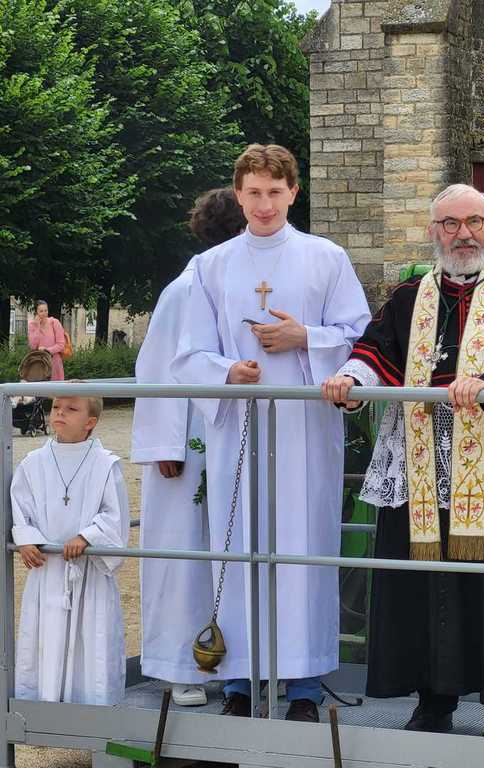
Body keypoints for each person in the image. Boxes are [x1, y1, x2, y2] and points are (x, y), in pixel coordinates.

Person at [322, 183, 484, 739]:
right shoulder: (409, 297)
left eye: (474, 221)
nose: (463, 233)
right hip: (419, 463)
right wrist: (350, 381)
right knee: (425, 585)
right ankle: (433, 701)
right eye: (450, 223)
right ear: (434, 231)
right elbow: (375, 350)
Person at [171, 144, 371, 722]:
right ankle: (239, 679)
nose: (264, 204)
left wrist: (305, 337)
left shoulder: (326, 257)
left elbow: (359, 336)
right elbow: (189, 354)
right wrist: (227, 371)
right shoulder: (210, 267)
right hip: (239, 429)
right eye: (254, 192)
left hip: (305, 434)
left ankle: (304, 685)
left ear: (293, 193)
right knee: (238, 548)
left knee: (303, 550)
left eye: (275, 192)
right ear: (239, 195)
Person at [131, 187, 246, 707]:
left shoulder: (244, 287)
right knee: (183, 555)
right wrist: (164, 443)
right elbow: (157, 368)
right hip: (186, 444)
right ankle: (180, 667)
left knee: (232, 551)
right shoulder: (185, 289)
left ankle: (234, 661)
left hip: (232, 437)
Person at [12, 393, 130, 704]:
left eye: (71, 408)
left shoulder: (106, 465)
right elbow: (20, 504)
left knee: (90, 641)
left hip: (88, 573)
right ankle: (44, 710)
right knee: (45, 640)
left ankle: (92, 711)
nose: (60, 412)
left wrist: (87, 537)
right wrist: (26, 538)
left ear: (90, 422)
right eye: (56, 407)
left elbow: (114, 515)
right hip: (48, 570)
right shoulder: (33, 463)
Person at [27, 300, 66, 381]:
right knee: (41, 387)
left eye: (46, 310)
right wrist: (37, 326)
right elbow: (33, 346)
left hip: (54, 362)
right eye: (41, 311)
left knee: (55, 387)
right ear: (36, 312)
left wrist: (47, 350)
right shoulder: (32, 325)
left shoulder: (54, 322)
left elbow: (61, 344)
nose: (44, 313)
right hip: (39, 364)